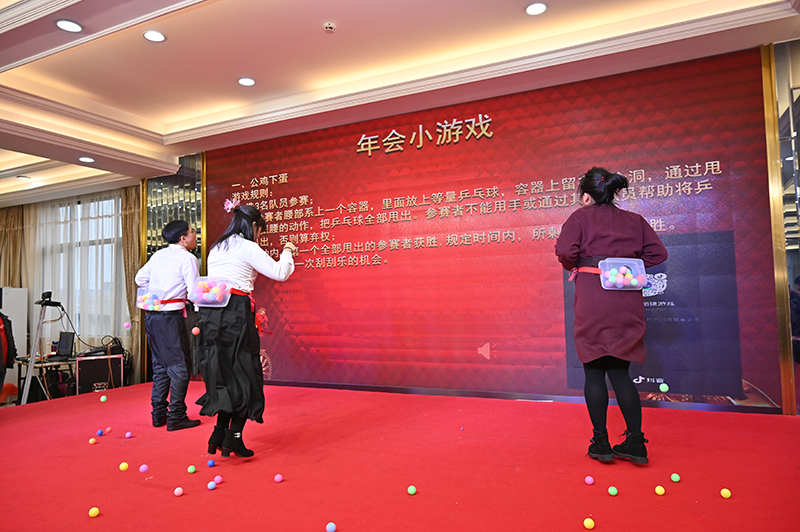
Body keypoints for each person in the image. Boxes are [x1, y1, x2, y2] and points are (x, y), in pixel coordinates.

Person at [555, 167, 668, 464]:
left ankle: (601, 443)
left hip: (593, 298)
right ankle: (636, 443)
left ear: (586, 196)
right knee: (620, 372)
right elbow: (658, 254)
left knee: (594, 371)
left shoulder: (580, 217)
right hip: (627, 300)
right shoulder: (635, 220)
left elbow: (565, 252)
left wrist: (584, 264)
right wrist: (625, 266)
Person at [197, 203, 296, 458]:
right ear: (253, 226)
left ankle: (219, 432)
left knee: (224, 373)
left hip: (212, 313)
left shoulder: (217, 247)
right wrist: (287, 251)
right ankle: (234, 437)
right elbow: (280, 272)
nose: (259, 237)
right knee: (245, 372)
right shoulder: (247, 246)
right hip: (235, 312)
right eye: (260, 231)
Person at [135, 220, 201, 431]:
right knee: (180, 367)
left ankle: (159, 414)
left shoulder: (158, 255)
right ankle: (177, 416)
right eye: (192, 231)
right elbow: (194, 291)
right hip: (170, 319)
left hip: (152, 317)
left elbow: (139, 279)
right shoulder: (188, 258)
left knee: (160, 366)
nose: (195, 234)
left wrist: (159, 294)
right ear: (183, 238)